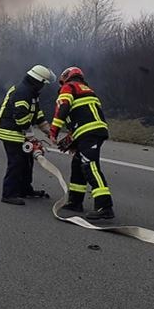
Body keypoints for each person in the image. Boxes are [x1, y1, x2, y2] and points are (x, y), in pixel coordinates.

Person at [49, 66, 115, 220]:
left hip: (89, 133)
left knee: (89, 166)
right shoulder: (87, 89)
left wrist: (54, 131)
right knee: (78, 165)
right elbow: (84, 116)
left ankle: (105, 207)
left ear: (66, 77)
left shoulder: (68, 87)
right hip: (91, 132)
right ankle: (75, 202)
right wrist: (72, 139)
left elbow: (63, 107)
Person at [0, 65, 56, 205]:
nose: (43, 87)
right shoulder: (22, 92)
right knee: (16, 163)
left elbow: (37, 113)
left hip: (19, 131)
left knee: (27, 161)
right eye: (43, 83)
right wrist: (30, 136)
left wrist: (49, 131)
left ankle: (25, 189)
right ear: (38, 81)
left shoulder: (31, 92)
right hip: (10, 132)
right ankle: (8, 194)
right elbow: (21, 116)